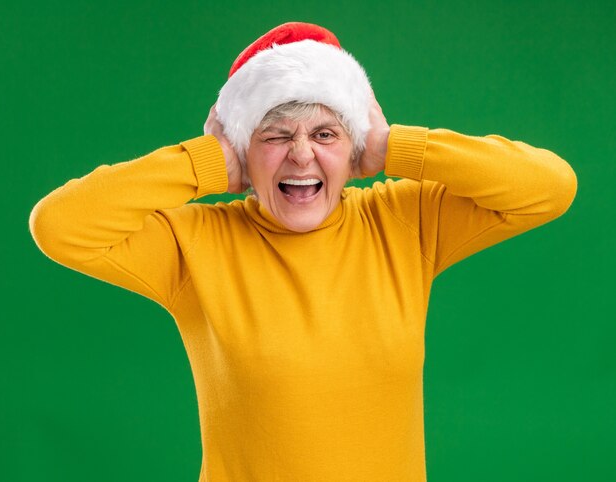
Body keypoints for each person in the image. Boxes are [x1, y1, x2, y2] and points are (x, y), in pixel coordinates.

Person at [29, 22, 577, 482]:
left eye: (325, 134)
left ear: (352, 147)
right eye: (274, 135)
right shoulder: (194, 245)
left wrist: (392, 147)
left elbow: (549, 187)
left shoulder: (403, 222)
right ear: (244, 153)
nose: (300, 155)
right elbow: (59, 225)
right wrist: (206, 162)